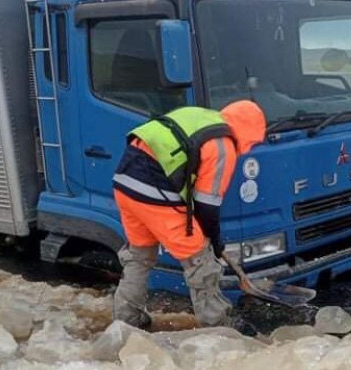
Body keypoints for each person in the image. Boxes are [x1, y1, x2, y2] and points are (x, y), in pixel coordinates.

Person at [112, 101, 266, 329]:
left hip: (125, 184)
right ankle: (218, 324)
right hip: (153, 190)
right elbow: (207, 205)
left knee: (139, 257)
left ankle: (126, 320)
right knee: (199, 259)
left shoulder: (202, 117)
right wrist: (214, 240)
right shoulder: (223, 146)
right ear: (250, 131)